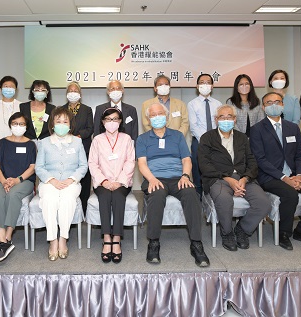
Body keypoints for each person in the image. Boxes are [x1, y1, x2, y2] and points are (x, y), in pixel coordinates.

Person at [249, 92, 301, 250]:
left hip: (295, 174)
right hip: (270, 176)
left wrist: (299, 175)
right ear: (263, 107)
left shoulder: (292, 127)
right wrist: (285, 178)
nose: (274, 105)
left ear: (283, 105)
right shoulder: (257, 129)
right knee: (290, 194)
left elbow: (300, 154)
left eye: (277, 102)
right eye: (269, 102)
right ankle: (284, 233)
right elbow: (260, 159)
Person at [136, 103, 209, 267]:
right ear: (148, 119)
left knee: (191, 194)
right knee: (157, 196)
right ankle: (153, 242)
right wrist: (153, 179)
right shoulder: (142, 139)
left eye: (160, 113)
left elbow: (186, 159)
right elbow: (142, 164)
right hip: (154, 178)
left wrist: (185, 176)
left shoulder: (177, 136)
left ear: (167, 116)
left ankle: (196, 243)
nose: (157, 117)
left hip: (178, 177)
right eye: (153, 115)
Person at [198, 104, 270, 252]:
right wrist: (228, 179)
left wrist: (245, 179)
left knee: (263, 203)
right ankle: (227, 233)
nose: (226, 120)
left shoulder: (242, 138)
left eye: (229, 117)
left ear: (235, 119)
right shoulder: (207, 138)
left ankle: (243, 230)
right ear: (216, 119)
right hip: (218, 178)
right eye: (222, 117)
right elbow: (204, 165)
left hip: (244, 178)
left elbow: (252, 161)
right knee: (224, 199)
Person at [35, 107, 88, 261]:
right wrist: (52, 180)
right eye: (58, 121)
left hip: (71, 182)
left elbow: (83, 166)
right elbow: (39, 167)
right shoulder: (44, 143)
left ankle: (63, 239)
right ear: (52, 124)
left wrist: (71, 179)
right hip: (49, 182)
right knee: (49, 201)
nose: (62, 124)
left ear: (70, 124)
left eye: (65, 121)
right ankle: (53, 240)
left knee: (67, 201)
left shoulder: (77, 142)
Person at [88, 107, 135, 263]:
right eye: (108, 119)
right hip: (102, 182)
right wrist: (104, 181)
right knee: (105, 197)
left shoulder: (127, 139)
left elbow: (130, 161)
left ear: (120, 121)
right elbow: (93, 163)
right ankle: (106, 237)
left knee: (118, 197)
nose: (112, 122)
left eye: (115, 119)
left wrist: (119, 181)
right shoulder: (97, 139)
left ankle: (117, 238)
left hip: (122, 181)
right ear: (103, 122)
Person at [0, 112, 36, 263]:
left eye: (22, 124)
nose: (18, 126)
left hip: (24, 182)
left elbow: (32, 167)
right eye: (15, 123)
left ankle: (8, 236)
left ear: (26, 126)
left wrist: (17, 180)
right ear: (10, 125)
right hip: (2, 180)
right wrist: (3, 181)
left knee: (13, 195)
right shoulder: (2, 143)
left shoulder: (30, 144)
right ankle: (3, 241)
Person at [61, 81, 93, 214]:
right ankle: (69, 210)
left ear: (80, 93)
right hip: (65, 148)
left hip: (83, 147)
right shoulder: (61, 109)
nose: (73, 93)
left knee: (84, 179)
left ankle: (84, 209)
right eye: (70, 90)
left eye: (75, 91)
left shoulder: (87, 109)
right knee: (69, 178)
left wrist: (78, 136)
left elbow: (90, 128)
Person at [187, 73, 222, 196]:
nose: (205, 85)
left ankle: (213, 192)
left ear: (212, 86)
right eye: (202, 82)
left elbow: (220, 123)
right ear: (197, 86)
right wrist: (206, 140)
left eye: (208, 82)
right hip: (199, 140)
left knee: (215, 165)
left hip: (216, 140)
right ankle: (198, 194)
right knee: (197, 167)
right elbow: (193, 125)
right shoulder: (192, 104)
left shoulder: (218, 104)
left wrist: (214, 139)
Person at [0, 76, 22, 144]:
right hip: (0, 144)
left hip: (19, 143)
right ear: (1, 89)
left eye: (11, 86)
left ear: (15, 89)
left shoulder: (21, 105)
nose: (8, 89)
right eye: (5, 86)